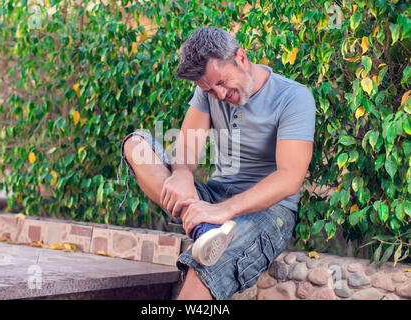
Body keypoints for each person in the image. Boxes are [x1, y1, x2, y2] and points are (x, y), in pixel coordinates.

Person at [119, 27, 315, 300]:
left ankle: (209, 229)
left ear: (241, 58)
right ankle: (206, 230)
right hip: (214, 199)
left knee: (206, 266)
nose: (220, 95)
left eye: (222, 83)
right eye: (210, 91)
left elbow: (289, 178)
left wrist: (223, 211)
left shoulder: (293, 97)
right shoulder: (209, 91)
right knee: (135, 145)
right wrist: (182, 174)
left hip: (270, 213)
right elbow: (186, 148)